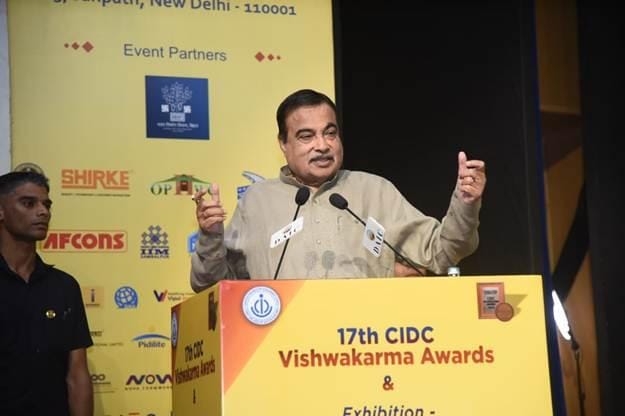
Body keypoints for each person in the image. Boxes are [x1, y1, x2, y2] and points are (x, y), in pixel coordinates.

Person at [190, 89, 486, 291]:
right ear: (283, 143)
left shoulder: (374, 191)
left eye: (330, 133)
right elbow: (213, 288)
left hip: (362, 345)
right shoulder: (257, 202)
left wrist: (465, 203)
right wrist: (210, 238)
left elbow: (442, 252)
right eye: (306, 136)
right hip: (281, 348)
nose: (322, 145)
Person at [0, 171, 94, 416]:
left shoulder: (64, 286)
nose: (43, 212)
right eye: (28, 203)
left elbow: (77, 375)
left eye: (47, 204)